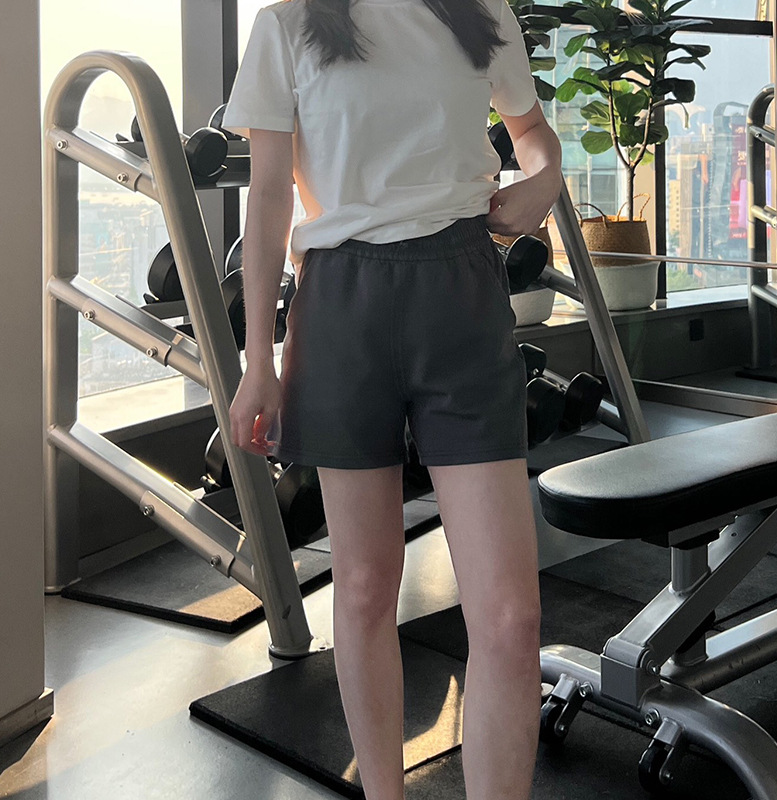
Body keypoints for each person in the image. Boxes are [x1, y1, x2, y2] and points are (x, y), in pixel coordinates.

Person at [223, 0, 562, 797]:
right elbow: (268, 196)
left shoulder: (480, 12)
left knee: (511, 619)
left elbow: (531, 130)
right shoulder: (287, 26)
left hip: (462, 295)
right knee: (366, 586)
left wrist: (545, 179)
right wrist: (258, 359)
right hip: (342, 303)